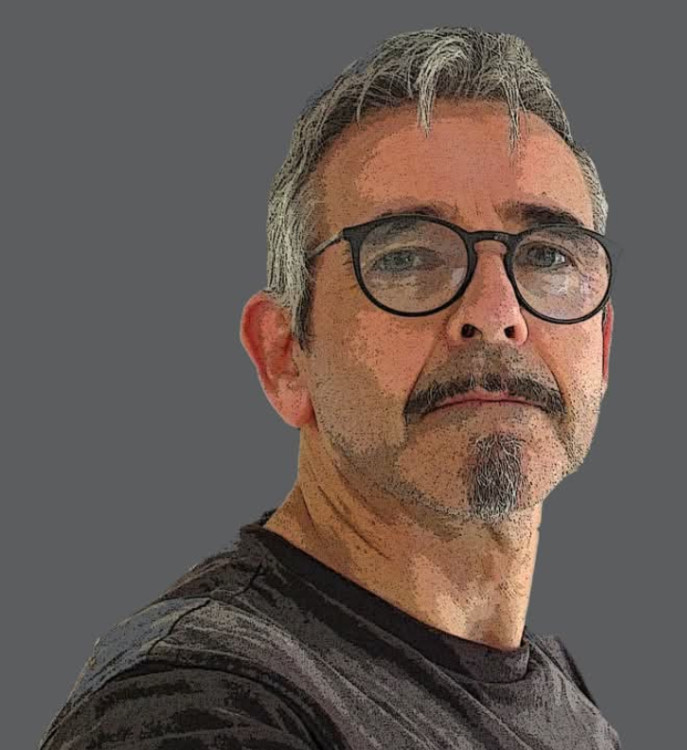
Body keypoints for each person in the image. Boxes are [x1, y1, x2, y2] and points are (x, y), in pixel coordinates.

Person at [39, 27, 622, 749]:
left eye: (548, 257)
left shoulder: (564, 702)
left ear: (601, 346)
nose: (498, 313)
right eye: (407, 257)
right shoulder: (195, 705)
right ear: (286, 356)